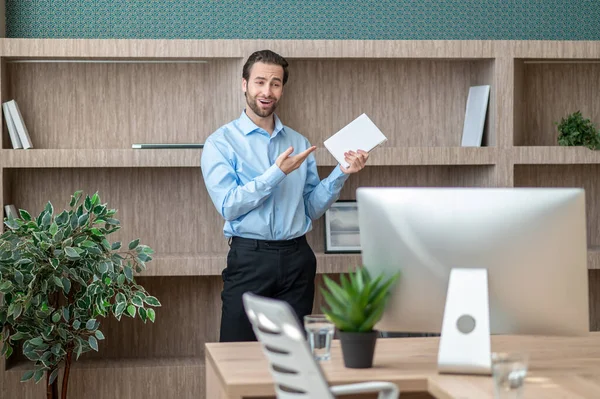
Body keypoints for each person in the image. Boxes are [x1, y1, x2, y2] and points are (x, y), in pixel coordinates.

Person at [201, 49, 369, 342]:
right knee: (236, 354)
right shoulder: (220, 143)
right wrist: (276, 173)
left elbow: (310, 209)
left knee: (294, 356)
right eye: (260, 82)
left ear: (282, 88)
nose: (267, 91)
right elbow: (229, 206)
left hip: (297, 260)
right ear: (245, 84)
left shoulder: (298, 141)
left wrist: (341, 172)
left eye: (275, 83)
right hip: (250, 259)